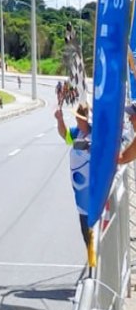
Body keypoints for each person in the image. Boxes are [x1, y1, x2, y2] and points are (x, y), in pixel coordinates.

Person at [54, 103, 91, 247]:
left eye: (78, 117)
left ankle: (96, 258)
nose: (76, 119)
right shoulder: (78, 132)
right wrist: (59, 119)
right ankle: (91, 257)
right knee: (85, 228)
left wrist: (91, 147)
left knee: (93, 226)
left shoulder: (97, 133)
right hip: (80, 190)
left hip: (92, 188)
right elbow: (65, 135)